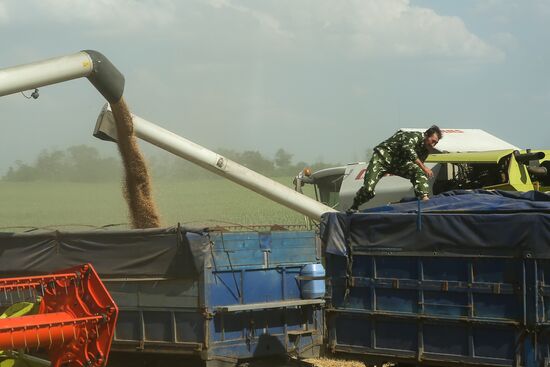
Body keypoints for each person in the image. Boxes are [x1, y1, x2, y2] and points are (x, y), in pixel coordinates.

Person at [350, 125, 442, 210]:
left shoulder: (426, 150)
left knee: (418, 171)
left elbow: (418, 165)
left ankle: (424, 199)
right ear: (426, 135)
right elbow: (408, 150)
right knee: (368, 190)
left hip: (399, 163)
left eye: (436, 143)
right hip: (382, 158)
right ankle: (354, 206)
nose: (433, 145)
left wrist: (421, 173)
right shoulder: (414, 136)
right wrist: (424, 167)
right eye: (432, 141)